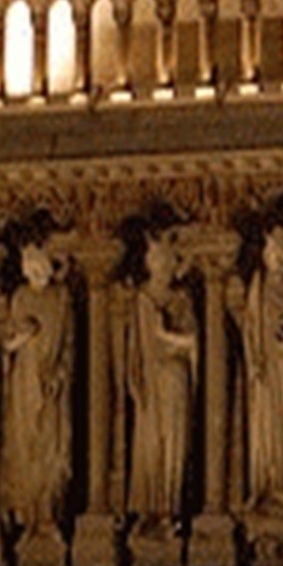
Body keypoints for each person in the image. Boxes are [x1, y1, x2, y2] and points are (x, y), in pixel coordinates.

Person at [227, 216, 283, 527]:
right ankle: (267, 487)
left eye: (282, 252)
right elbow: (250, 330)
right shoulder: (258, 289)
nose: (277, 259)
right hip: (265, 376)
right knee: (266, 431)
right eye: (272, 252)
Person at [0, 222, 72, 544]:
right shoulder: (21, 298)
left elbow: (69, 344)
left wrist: (61, 373)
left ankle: (48, 513)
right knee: (24, 447)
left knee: (52, 451)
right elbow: (8, 343)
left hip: (51, 384)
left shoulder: (61, 298)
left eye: (37, 259)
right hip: (25, 385)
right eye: (27, 261)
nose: (33, 266)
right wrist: (22, 336)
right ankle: (27, 516)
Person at [123, 224, 197, 531]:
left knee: (174, 446)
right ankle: (150, 510)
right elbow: (134, 350)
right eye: (157, 260)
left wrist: (166, 334)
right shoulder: (141, 299)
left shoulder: (182, 300)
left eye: (168, 261)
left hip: (175, 379)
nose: (162, 267)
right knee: (149, 444)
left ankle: (170, 508)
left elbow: (192, 340)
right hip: (151, 385)